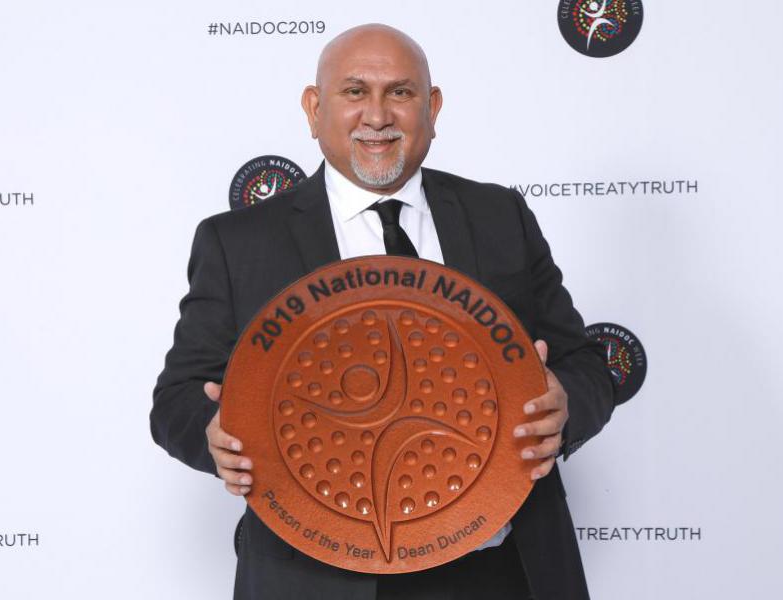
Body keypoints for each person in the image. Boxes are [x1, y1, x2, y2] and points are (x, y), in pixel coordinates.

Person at [151, 23, 617, 600]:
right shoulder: (239, 242)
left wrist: (564, 406)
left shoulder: (499, 216)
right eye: (354, 92)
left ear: (432, 107)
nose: (377, 115)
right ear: (314, 109)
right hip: (317, 577)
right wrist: (213, 433)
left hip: (497, 571)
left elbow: (585, 366)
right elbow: (175, 401)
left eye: (400, 92)